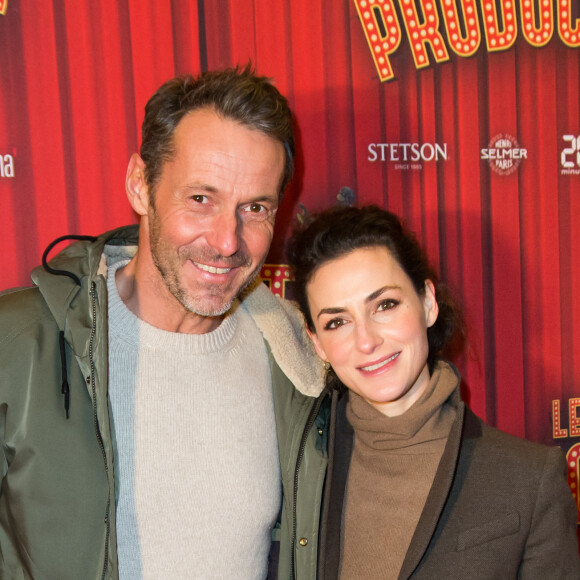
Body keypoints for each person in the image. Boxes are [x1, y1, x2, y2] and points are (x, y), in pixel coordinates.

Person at [0, 66, 328, 579]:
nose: (226, 240)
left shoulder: (295, 358)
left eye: (256, 208)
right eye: (201, 199)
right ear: (139, 184)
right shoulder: (19, 343)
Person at [285, 205, 580, 579]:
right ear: (317, 343)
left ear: (427, 302)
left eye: (385, 305)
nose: (367, 340)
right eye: (337, 321)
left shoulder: (528, 480)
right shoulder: (297, 472)